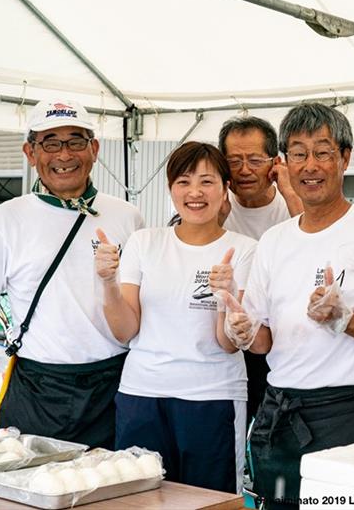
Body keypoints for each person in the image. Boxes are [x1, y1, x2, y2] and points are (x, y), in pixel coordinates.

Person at [237, 103, 354, 509]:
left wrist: (344, 319)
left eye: (322, 152)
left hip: (348, 412)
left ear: (345, 158)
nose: (310, 165)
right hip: (279, 409)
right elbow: (262, 341)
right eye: (298, 153)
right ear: (284, 162)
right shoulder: (274, 241)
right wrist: (242, 331)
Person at [0, 99, 143, 449]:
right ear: (30, 152)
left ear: (94, 149)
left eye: (76, 141)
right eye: (50, 142)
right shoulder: (6, 220)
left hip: (113, 387)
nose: (64, 155)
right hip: (36, 386)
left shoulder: (127, 216)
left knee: (111, 497)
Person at [95, 141, 256, 493]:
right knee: (136, 498)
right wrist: (108, 282)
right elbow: (125, 330)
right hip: (141, 393)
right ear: (171, 189)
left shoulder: (244, 250)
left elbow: (228, 344)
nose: (195, 192)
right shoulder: (144, 242)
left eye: (207, 181)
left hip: (212, 398)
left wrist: (223, 300)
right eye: (183, 182)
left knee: (209, 499)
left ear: (225, 188)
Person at [218, 115, 303, 427]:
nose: (244, 169)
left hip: (283, 343)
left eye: (255, 159)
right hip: (229, 345)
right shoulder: (215, 206)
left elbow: (317, 247)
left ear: (275, 162)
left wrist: (291, 192)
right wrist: (217, 218)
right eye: (234, 160)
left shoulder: (292, 207)